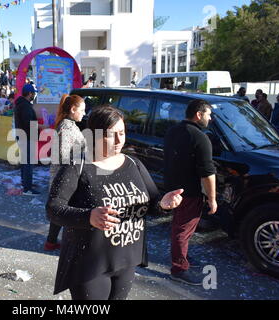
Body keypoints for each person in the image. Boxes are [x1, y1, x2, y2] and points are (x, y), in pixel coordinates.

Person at [46, 105, 183, 300]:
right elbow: (53, 209)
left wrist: (164, 205)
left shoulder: (133, 163)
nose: (119, 140)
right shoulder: (77, 166)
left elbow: (152, 204)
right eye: (111, 135)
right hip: (89, 264)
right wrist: (88, 217)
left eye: (122, 133)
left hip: (126, 260)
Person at [164, 99, 217, 286]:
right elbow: (208, 173)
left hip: (172, 190)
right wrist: (212, 199)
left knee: (181, 229)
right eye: (209, 115)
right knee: (182, 230)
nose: (210, 119)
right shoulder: (200, 138)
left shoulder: (172, 131)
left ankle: (182, 255)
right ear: (199, 114)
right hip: (190, 193)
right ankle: (179, 268)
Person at [44, 94, 86, 252]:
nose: (83, 113)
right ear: (73, 109)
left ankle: (51, 241)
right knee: (65, 209)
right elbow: (63, 154)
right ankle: (61, 242)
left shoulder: (69, 125)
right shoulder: (67, 128)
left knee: (61, 208)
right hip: (65, 176)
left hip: (64, 175)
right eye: (81, 110)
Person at [14, 84, 42, 196]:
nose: (34, 95)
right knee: (28, 163)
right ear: (29, 93)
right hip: (27, 137)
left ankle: (25, 182)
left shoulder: (21, 104)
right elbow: (28, 123)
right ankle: (27, 188)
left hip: (23, 136)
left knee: (25, 162)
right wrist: (41, 126)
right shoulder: (25, 106)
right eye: (33, 93)